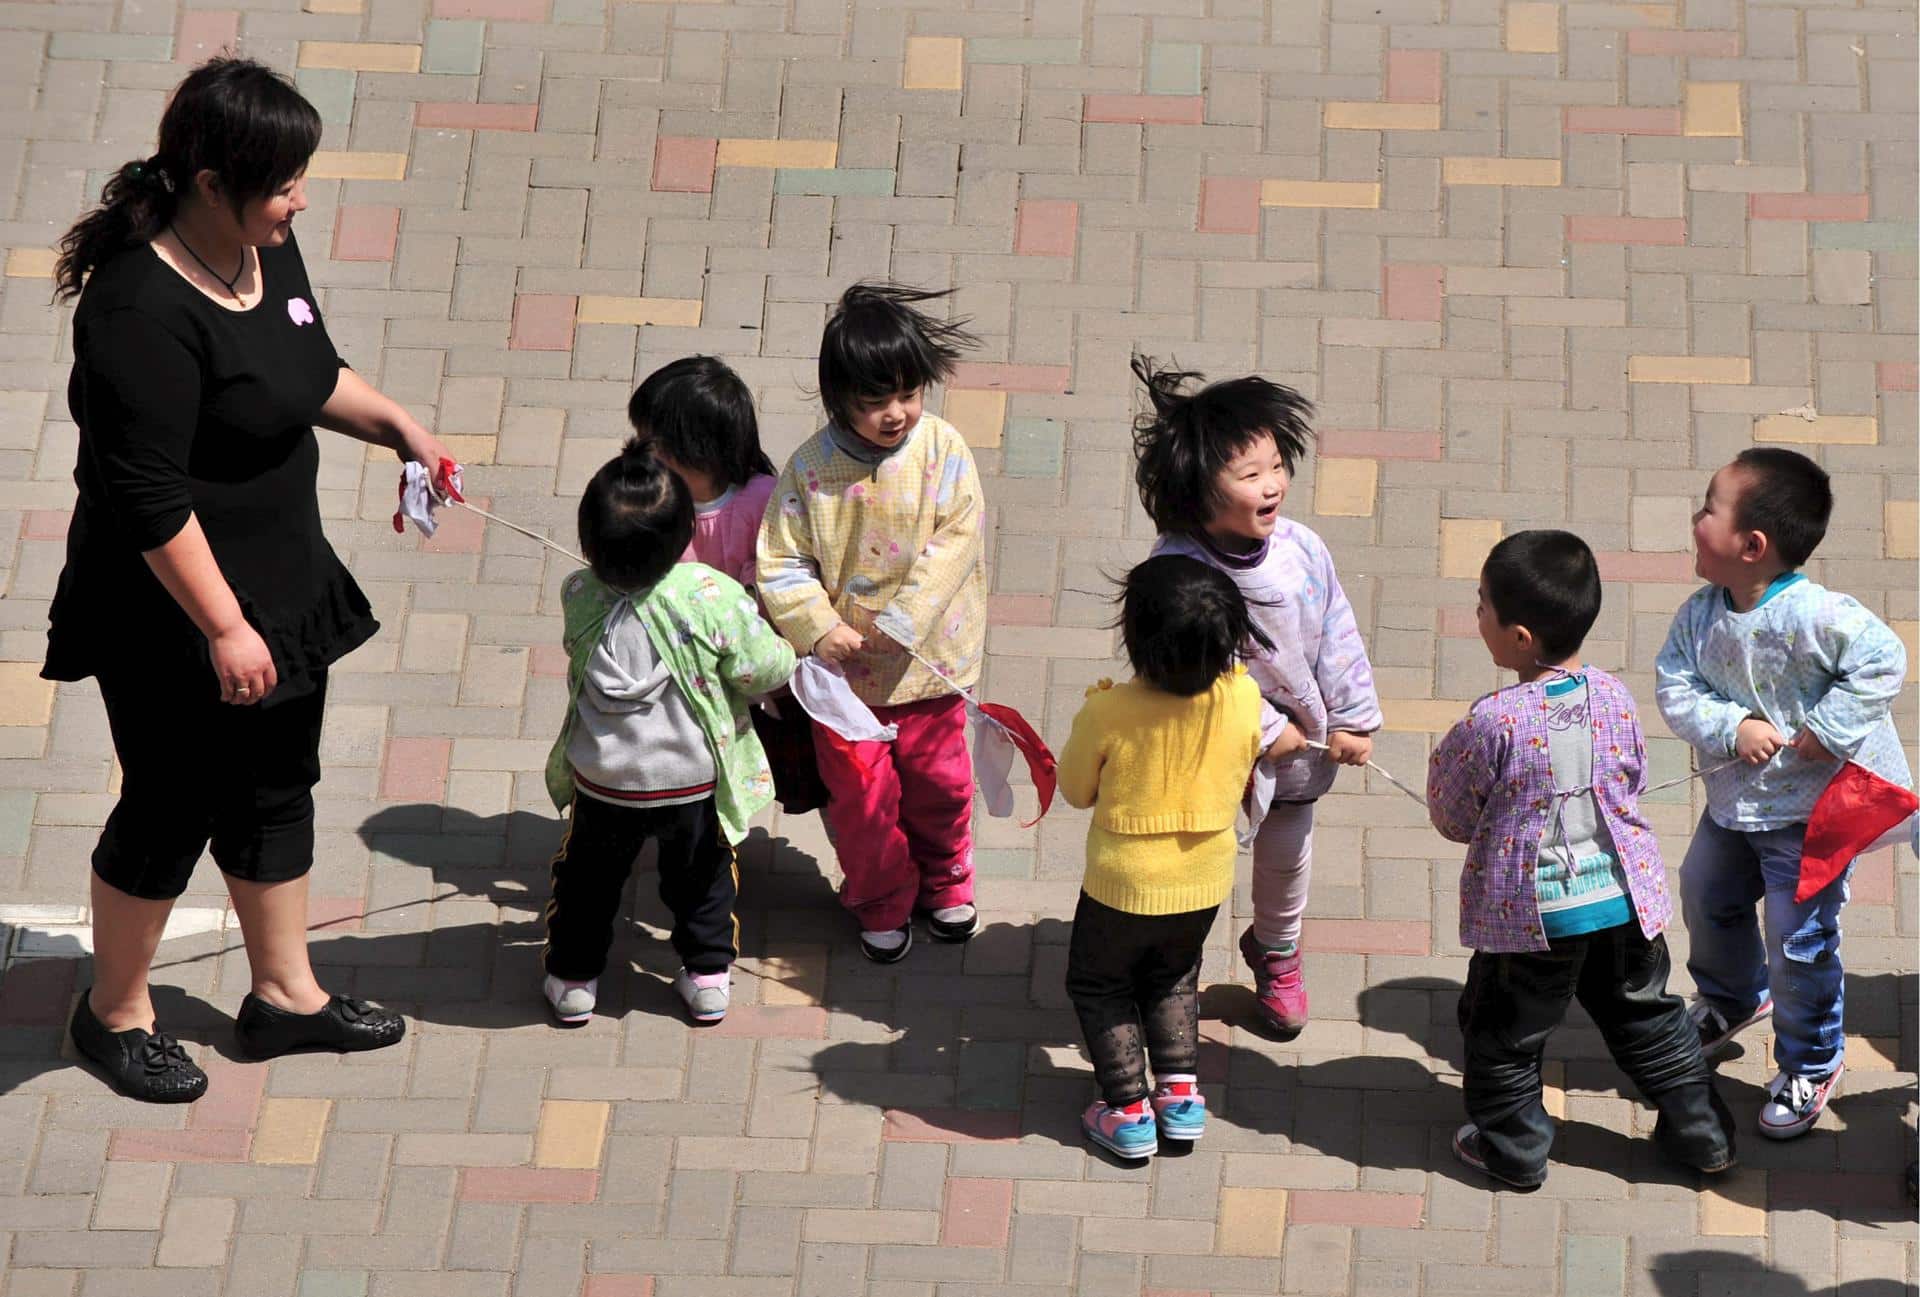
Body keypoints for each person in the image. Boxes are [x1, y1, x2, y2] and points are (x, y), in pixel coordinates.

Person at [42, 58, 446, 1102]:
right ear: (210, 182)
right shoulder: (137, 312)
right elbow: (147, 500)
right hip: (173, 614)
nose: (298, 200)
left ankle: (285, 996)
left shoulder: (262, 243)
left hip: (282, 588)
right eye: (281, 184)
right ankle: (113, 1011)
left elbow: (304, 372)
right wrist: (224, 626)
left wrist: (398, 425)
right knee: (171, 804)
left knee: (277, 788)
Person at [1429, 530, 1736, 1189]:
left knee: (1503, 1032)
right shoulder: (1614, 695)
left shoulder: (1492, 722)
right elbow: (1631, 772)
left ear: (1516, 638)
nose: (1474, 612)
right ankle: (1704, 1134)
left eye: (1481, 603)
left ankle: (1513, 1148)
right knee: (1647, 1016)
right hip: (1625, 901)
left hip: (1532, 921)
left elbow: (1452, 811)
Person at [1656, 448, 1911, 1139]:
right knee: (1707, 893)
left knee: (1798, 942)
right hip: (1732, 805)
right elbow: (1674, 685)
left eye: (1709, 507)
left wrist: (1827, 731)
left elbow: (1884, 659)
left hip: (1809, 821)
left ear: (1752, 544)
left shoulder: (1819, 616)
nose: (1695, 517)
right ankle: (1733, 999)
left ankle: (1812, 1059)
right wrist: (1730, 724)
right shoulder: (1699, 614)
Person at [1134, 357, 1381, 1038]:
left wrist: (1354, 716)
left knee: (1286, 859)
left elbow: (1337, 630)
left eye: (1277, 465)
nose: (1272, 485)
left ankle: (1275, 949)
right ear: (1198, 488)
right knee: (1190, 863)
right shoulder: (1178, 571)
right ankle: (1171, 961)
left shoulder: (1303, 550)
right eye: (1249, 475)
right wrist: (1261, 725)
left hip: (1299, 759)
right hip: (1210, 762)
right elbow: (1197, 673)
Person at [756, 283, 987, 963]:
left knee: (940, 783)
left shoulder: (942, 448)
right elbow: (781, 561)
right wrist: (817, 627)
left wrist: (906, 617)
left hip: (930, 666)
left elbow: (958, 537)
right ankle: (881, 895)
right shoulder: (809, 471)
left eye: (909, 394)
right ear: (838, 400)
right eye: (874, 402)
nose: (896, 414)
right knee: (861, 799)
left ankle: (945, 876)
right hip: (842, 684)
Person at [540, 445, 796, 1026]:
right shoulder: (710, 594)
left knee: (587, 880)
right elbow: (763, 667)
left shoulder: (578, 594)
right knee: (703, 877)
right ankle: (706, 977)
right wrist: (783, 651)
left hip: (605, 779)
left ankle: (574, 978)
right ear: (685, 537)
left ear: (589, 545)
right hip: (692, 778)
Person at [1058, 555, 1269, 1160]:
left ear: (1135, 639)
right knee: (1173, 976)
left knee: (1100, 985)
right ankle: (1179, 1100)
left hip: (1122, 884)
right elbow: (1262, 746)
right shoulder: (1243, 697)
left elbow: (1076, 791)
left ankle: (1125, 1110)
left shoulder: (1109, 710)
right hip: (1203, 879)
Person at [628, 355, 825, 814]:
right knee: (700, 775)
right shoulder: (653, 500)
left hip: (765, 675)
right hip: (686, 674)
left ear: (694, 448)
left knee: (811, 776)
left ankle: (863, 860)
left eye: (649, 441)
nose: (638, 451)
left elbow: (782, 581)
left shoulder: (761, 500)